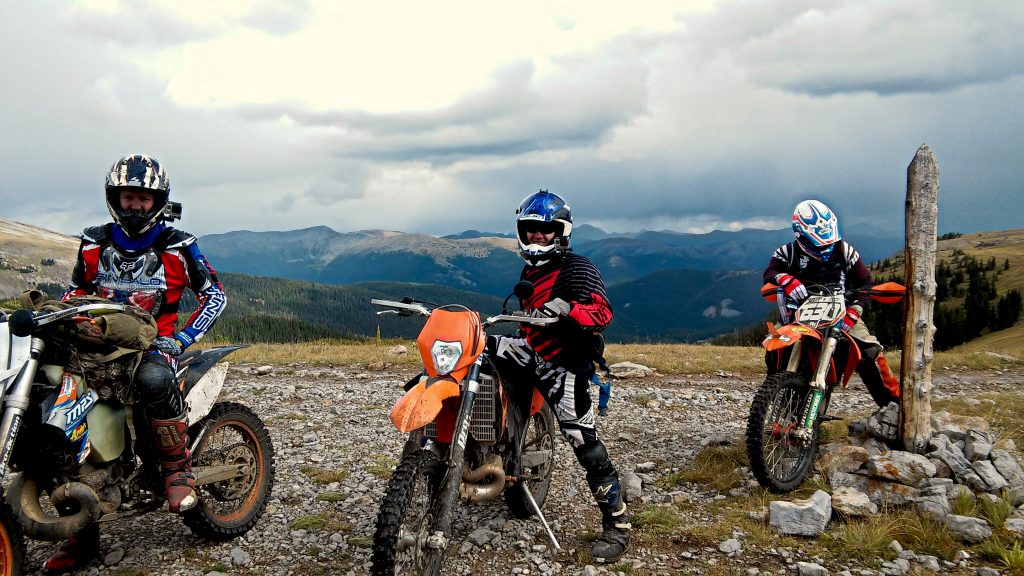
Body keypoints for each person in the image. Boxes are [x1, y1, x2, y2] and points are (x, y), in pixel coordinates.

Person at [46, 154, 226, 572]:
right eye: (129, 196)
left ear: (158, 200)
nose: (136, 206)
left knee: (153, 383)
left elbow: (214, 295)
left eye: (144, 198)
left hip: (153, 347)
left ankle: (177, 471)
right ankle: (81, 532)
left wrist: (180, 339)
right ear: (115, 197)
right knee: (58, 410)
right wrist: (62, 315)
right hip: (93, 344)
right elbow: (76, 290)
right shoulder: (93, 241)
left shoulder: (179, 245)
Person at [487, 189, 630, 563]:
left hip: (564, 364)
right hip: (531, 350)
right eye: (531, 228)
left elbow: (602, 312)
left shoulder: (577, 268)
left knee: (585, 442)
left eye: (546, 229)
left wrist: (568, 308)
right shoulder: (530, 269)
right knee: (475, 353)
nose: (538, 235)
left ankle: (617, 523)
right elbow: (530, 316)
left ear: (561, 232)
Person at [763, 199, 900, 408]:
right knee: (775, 344)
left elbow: (865, 282)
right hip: (802, 312)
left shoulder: (845, 251)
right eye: (818, 244)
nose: (825, 248)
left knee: (870, 349)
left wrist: (855, 310)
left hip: (842, 310)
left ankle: (894, 404)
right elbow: (769, 273)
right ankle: (772, 396)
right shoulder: (787, 252)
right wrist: (785, 279)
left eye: (829, 242)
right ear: (801, 235)